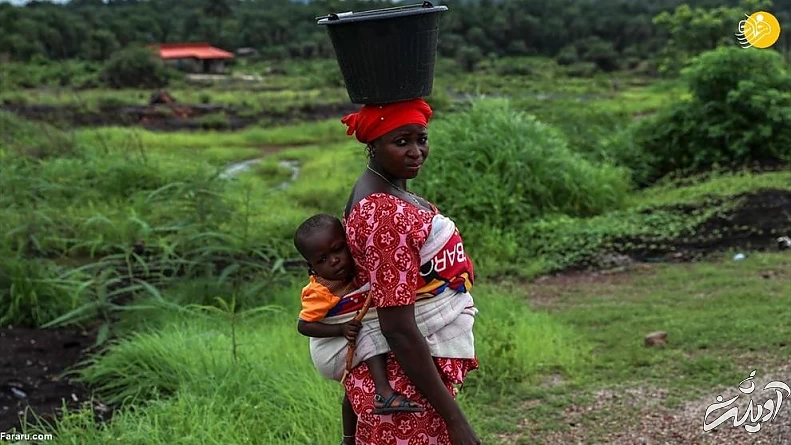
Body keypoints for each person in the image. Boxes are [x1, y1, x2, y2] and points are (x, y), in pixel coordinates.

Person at [340, 98, 481, 445]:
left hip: (407, 384)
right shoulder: (384, 213)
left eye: (422, 139)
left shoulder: (392, 193)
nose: (416, 151)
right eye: (401, 142)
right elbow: (398, 328)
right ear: (372, 146)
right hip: (402, 394)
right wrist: (455, 420)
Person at [293, 214, 424, 445]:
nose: (334, 261)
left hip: (344, 342)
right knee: (372, 332)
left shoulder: (353, 271)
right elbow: (303, 325)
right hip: (329, 348)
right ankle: (383, 392)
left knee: (350, 392)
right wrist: (341, 328)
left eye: (338, 250)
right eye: (323, 259)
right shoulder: (319, 291)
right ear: (311, 267)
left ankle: (348, 439)